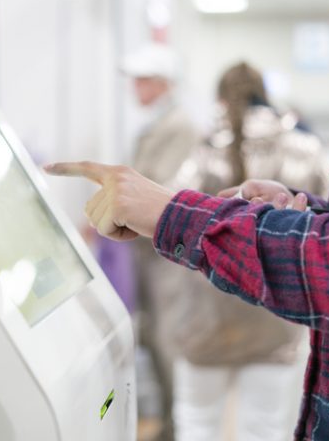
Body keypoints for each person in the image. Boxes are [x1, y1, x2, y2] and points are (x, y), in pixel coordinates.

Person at [46, 0, 329, 439]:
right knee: (260, 427)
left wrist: (176, 212)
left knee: (200, 422)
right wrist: (303, 216)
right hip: (317, 366)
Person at [168, 61, 327, 441]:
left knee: (197, 424)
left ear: (221, 99)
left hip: (206, 316)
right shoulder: (303, 147)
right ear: (264, 95)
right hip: (276, 309)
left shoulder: (203, 150)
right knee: (266, 429)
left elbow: (169, 208)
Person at [122, 42, 201, 441]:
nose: (136, 88)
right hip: (148, 250)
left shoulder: (180, 126)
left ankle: (177, 427)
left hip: (166, 251)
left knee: (168, 337)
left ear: (162, 83)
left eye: (142, 81)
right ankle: (170, 424)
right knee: (153, 334)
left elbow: (164, 188)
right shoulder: (157, 124)